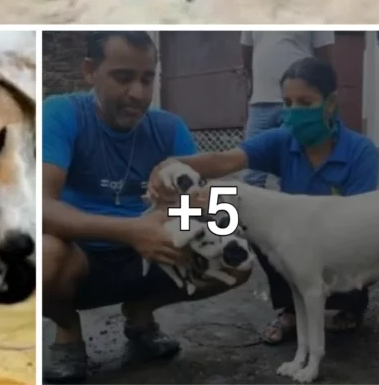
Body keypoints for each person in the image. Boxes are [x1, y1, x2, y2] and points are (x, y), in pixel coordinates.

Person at [42, 31, 249, 384]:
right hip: (81, 255)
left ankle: (140, 315)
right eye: (123, 78)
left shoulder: (168, 127)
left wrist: (184, 206)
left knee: (236, 260)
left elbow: (213, 205)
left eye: (147, 79)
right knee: (43, 255)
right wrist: (132, 230)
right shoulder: (62, 113)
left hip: (152, 256)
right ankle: (68, 332)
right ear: (90, 71)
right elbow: (39, 206)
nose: (137, 93)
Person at [148, 56, 377, 346]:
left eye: (305, 103)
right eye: (288, 103)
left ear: (331, 104)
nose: (294, 112)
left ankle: (348, 307)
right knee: (257, 220)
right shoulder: (282, 140)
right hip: (297, 245)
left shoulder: (360, 152)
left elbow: (359, 227)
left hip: (344, 250)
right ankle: (290, 310)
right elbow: (224, 161)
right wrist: (169, 165)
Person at [242, 31, 334, 187]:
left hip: (299, 106)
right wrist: (252, 83)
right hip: (260, 102)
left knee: (296, 166)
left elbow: (324, 54)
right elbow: (246, 48)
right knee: (252, 171)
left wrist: (321, 93)